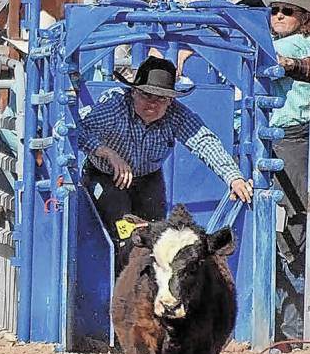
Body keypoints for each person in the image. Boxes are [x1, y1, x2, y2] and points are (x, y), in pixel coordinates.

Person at [78, 55, 253, 271]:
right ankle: (123, 290)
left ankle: (152, 291)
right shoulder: (113, 107)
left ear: (170, 101)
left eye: (161, 98)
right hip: (105, 175)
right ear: (133, 92)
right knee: (126, 235)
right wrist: (107, 153)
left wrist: (233, 177)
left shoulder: (176, 115)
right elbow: (78, 130)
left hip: (148, 178)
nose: (152, 103)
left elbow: (205, 142)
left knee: (157, 237)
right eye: (146, 95)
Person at [259, 0, 310, 349]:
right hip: (274, 139)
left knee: (290, 228)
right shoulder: (278, 45)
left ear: (302, 17)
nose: (278, 15)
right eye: (274, 9)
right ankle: (284, 328)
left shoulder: (295, 46)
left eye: (287, 11)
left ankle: (288, 330)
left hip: (290, 140)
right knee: (283, 230)